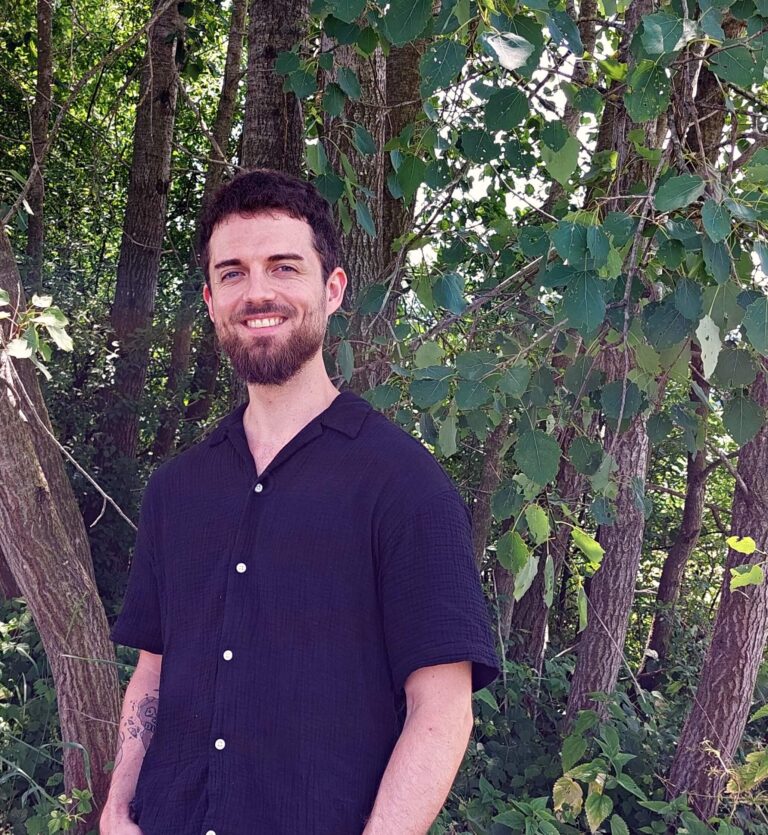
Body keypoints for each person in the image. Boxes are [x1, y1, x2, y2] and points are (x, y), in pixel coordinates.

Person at [100, 169, 500, 835]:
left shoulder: (403, 484)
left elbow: (443, 708)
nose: (257, 291)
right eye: (233, 272)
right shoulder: (177, 489)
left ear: (332, 287)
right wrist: (117, 807)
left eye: (283, 266)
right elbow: (154, 673)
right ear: (209, 298)